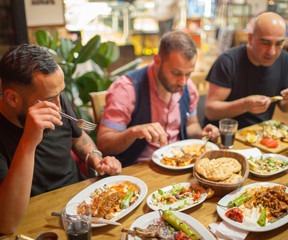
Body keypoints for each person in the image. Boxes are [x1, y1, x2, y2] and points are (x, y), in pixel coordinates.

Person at [0, 44, 122, 234]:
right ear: (12, 99)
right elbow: (6, 223)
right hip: (37, 221)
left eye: (60, 94)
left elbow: (78, 138)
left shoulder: (55, 98)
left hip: (82, 202)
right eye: (49, 100)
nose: (58, 106)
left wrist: (95, 158)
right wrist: (28, 141)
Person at [97, 30, 219, 168]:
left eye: (188, 74)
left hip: (181, 164)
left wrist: (201, 134)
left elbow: (191, 125)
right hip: (138, 170)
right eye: (176, 73)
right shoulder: (127, 88)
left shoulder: (188, 87)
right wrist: (133, 132)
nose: (183, 82)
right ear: (157, 61)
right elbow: (104, 144)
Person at [204, 12, 288, 129]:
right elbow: (210, 112)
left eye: (279, 44)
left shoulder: (284, 59)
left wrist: (286, 101)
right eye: (265, 43)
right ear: (250, 38)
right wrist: (244, 105)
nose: (272, 52)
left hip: (261, 134)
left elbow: (283, 107)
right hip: (225, 136)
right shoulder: (228, 61)